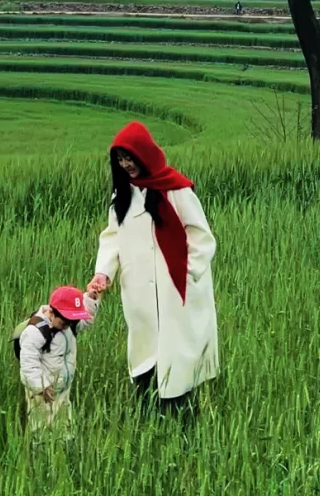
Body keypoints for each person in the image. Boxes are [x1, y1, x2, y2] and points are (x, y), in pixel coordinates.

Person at [86, 122, 218, 410]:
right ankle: (149, 411)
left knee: (178, 354)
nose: (126, 165)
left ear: (144, 154)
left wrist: (186, 274)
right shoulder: (122, 196)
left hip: (177, 290)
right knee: (144, 350)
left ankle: (182, 414)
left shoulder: (176, 190)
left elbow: (202, 238)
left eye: (130, 158)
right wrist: (103, 273)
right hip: (138, 291)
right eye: (120, 159)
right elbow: (112, 237)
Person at [13, 285, 98, 436]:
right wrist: (41, 387)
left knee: (64, 423)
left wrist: (90, 300)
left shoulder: (68, 322)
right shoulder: (35, 332)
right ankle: (40, 446)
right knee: (42, 425)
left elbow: (86, 321)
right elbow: (28, 364)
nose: (68, 326)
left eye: (72, 322)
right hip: (42, 392)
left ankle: (65, 444)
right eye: (64, 323)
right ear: (52, 313)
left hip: (62, 387)